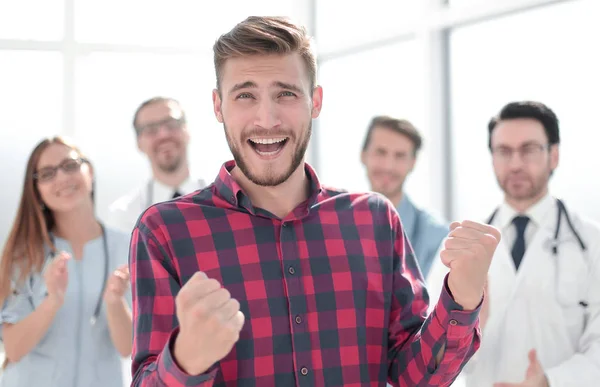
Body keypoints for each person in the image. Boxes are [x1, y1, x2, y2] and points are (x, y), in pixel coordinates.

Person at [129, 16, 501, 387]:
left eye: (285, 93)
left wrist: (462, 298)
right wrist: (185, 360)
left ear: (316, 101)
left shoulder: (374, 220)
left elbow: (414, 378)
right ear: (218, 106)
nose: (267, 118)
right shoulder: (164, 232)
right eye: (245, 95)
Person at [426, 101, 600, 386]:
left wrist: (549, 382)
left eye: (529, 149)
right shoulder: (461, 245)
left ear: (553, 156)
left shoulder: (592, 243)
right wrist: (469, 322)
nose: (516, 163)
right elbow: (431, 355)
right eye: (504, 151)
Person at [0, 137, 133, 387]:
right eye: (47, 173)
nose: (62, 178)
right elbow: (14, 349)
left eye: (70, 165)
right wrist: (52, 302)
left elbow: (127, 347)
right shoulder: (25, 253)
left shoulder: (128, 246)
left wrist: (114, 302)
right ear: (36, 190)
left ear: (89, 171)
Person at [361, 116, 448, 278]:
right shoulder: (336, 227)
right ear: (363, 155)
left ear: (412, 163)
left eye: (400, 156)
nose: (388, 166)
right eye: (381, 152)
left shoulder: (436, 237)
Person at [107, 97, 206, 234]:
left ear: (187, 130)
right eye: (151, 130)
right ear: (139, 143)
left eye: (171, 124)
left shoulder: (226, 198)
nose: (163, 135)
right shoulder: (125, 215)